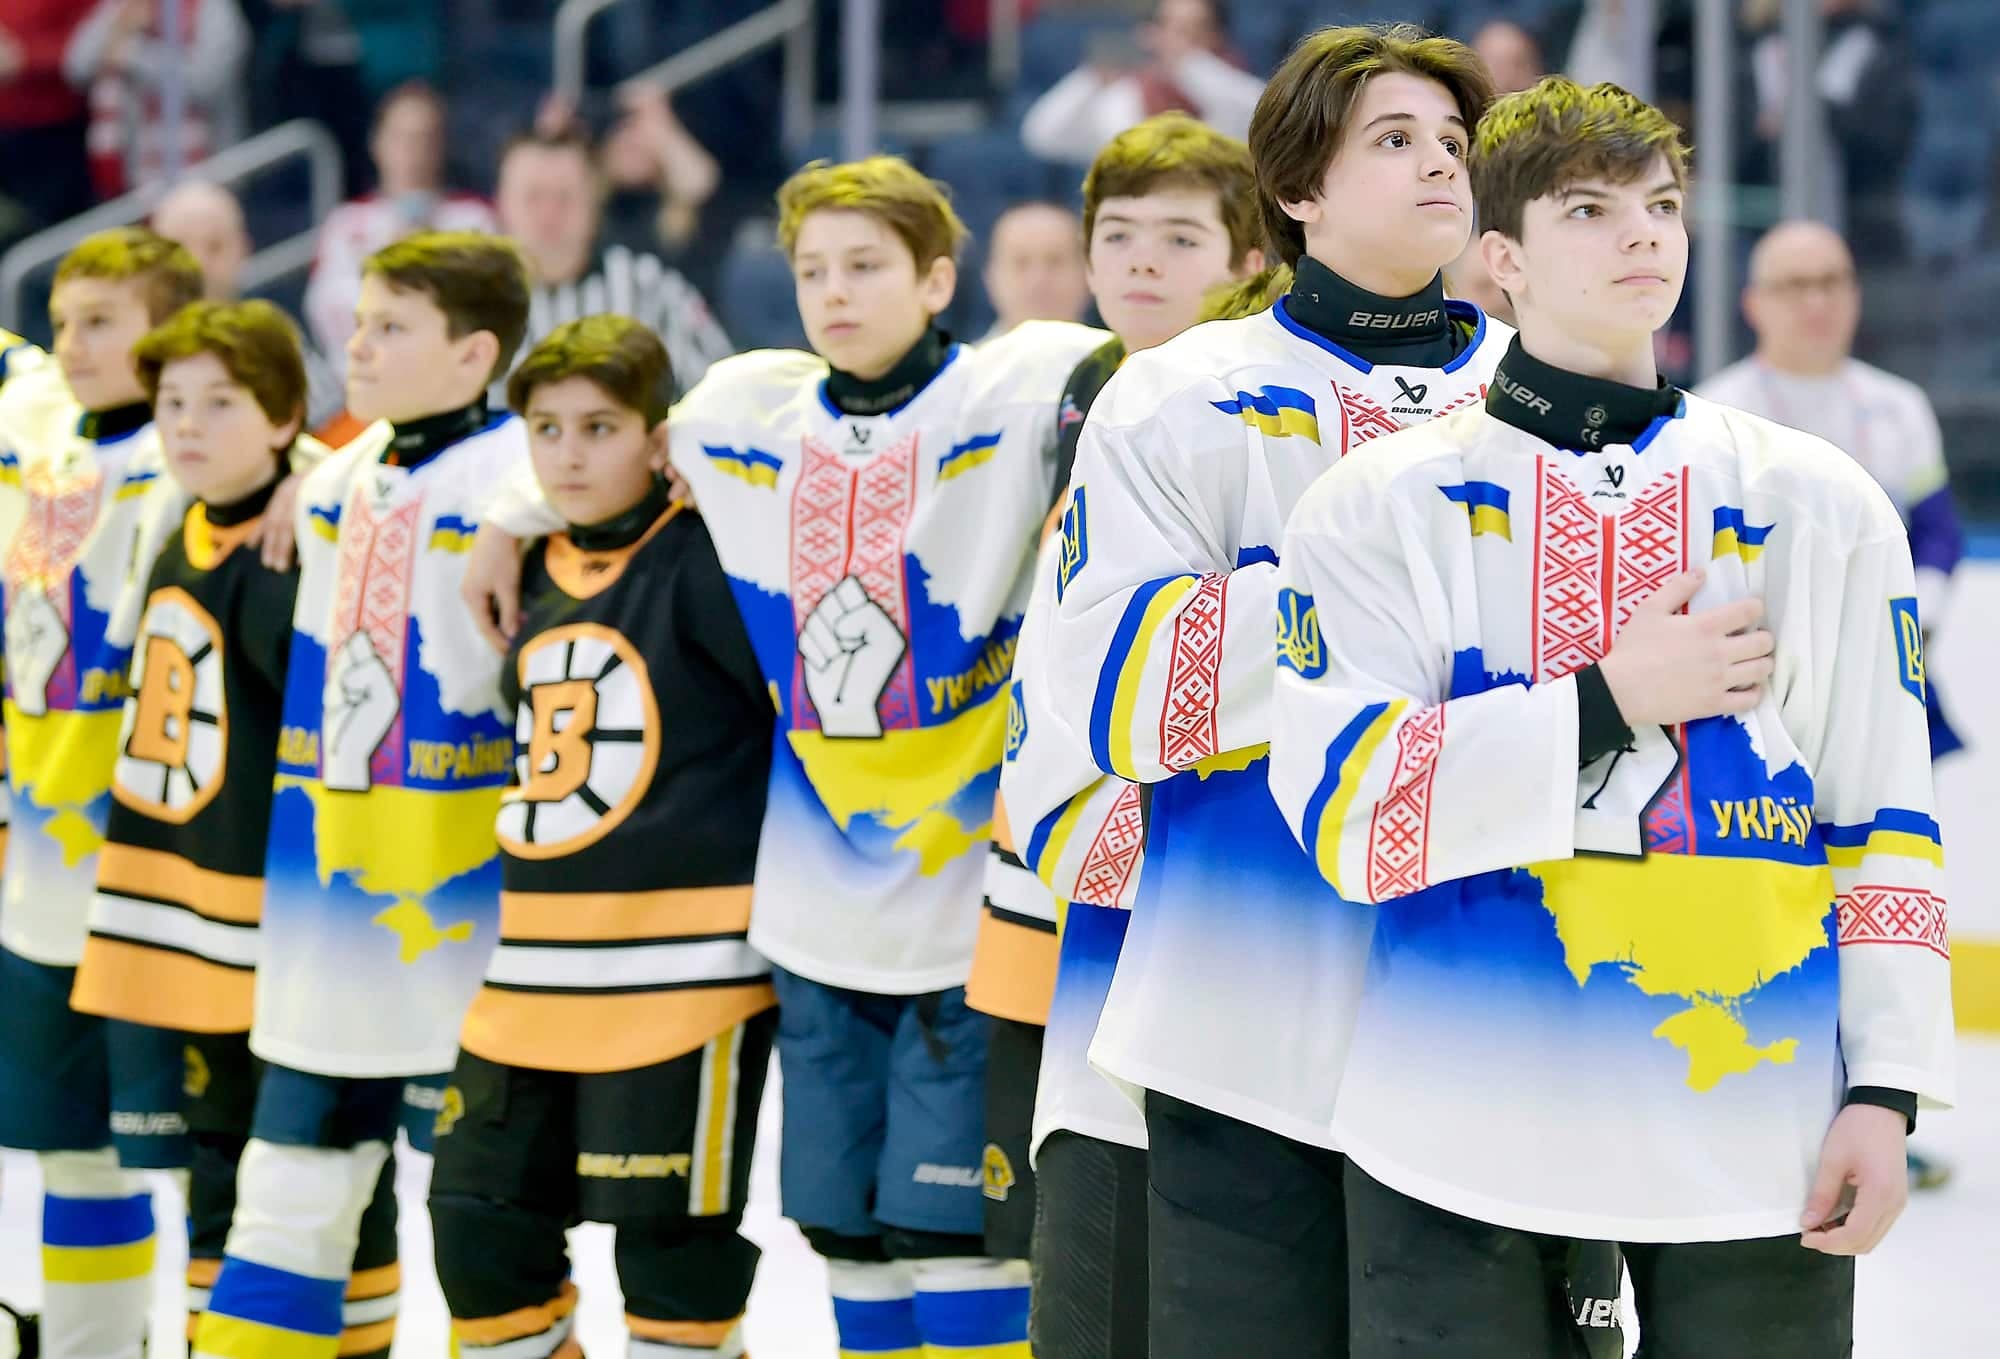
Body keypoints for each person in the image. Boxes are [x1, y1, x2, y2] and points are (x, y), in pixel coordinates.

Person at [1267, 75, 1954, 1358]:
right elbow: (1348, 819)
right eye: (1588, 208)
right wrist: (1605, 699)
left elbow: (1882, 814)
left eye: (1661, 205)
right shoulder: (1372, 507)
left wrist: (1884, 1090)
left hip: (1749, 1125)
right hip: (1453, 1129)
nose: (1643, 233)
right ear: (1500, 259)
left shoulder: (1817, 501)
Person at [1009, 26, 1601, 1359]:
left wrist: (1297, 611)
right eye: (1394, 140)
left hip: (1502, 1009)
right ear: (1297, 191)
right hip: (1241, 1014)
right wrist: (1391, 604)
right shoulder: (1178, 396)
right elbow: (1123, 696)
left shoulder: (1555, 399)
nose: (1441, 164)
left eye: (1454, 142)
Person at [468, 154, 1107, 1359]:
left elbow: (1150, 370)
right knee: (842, 1231)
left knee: (963, 1233)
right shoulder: (741, 411)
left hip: (972, 902)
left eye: (865, 266)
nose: (834, 294)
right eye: (812, 271)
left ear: (935, 277)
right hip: (809, 910)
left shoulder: (1017, 387)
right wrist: (508, 519)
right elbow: (601, 443)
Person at [188, 231, 531, 1359]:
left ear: (475, 353)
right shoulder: (338, 471)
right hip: (323, 908)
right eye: (361, 320)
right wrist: (297, 479)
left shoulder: (521, 477)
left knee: (486, 1224)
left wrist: (524, 516)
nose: (358, 343)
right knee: (287, 1194)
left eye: (392, 327)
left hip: (467, 920)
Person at [970, 110, 1264, 1359]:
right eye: (1116, 235)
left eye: (1180, 237)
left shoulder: (1260, 405)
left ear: (1251, 255)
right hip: (1043, 884)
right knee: (1065, 1248)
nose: (1139, 262)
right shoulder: (1040, 383)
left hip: (1206, 891)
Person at [62, 298, 405, 1359]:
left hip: (283, 923)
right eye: (172, 403)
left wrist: (313, 478)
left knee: (325, 1166)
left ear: (283, 418)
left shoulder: (300, 541)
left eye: (221, 402)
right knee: (215, 1167)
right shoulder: (175, 518)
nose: (188, 425)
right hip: (175, 908)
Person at [430, 314, 776, 1359]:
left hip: (690, 970)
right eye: (546, 429)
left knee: (672, 1262)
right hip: (529, 967)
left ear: (656, 436)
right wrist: (509, 516)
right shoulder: (524, 559)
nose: (569, 454)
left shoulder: (712, 555)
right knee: (476, 1230)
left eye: (599, 427)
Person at [1699, 220, 1965, 1194]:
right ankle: (1748, 1086)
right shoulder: (1716, 414)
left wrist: (1919, 610)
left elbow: (1933, 530)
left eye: (1832, 279)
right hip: (1754, 704)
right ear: (1753, 300)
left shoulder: (1892, 410)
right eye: (1794, 282)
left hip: (1887, 696)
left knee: (1881, 894)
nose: (1816, 299)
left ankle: (1880, 1101)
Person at [0, 226, 202, 1359]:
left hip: (163, 883)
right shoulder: (32, 426)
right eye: (66, 321)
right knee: (71, 1149)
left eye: (103, 324)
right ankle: (92, 1346)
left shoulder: (194, 472)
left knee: (203, 1149)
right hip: (40, 879)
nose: (72, 346)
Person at [495, 128, 732, 404]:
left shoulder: (648, 286)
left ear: (595, 201)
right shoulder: (474, 301)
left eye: (565, 197)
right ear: (501, 203)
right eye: (533, 197)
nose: (549, 214)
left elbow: (720, 390)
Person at [303, 81, 498, 376]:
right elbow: (325, 310)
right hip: (364, 383)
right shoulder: (345, 223)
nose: (412, 151)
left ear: (442, 146)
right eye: (401, 137)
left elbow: (491, 303)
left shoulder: (474, 218)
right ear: (376, 143)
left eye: (425, 138)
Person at [153, 178, 345, 429]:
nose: (199, 263)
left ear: (243, 249)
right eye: (180, 247)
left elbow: (339, 433)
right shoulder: (125, 350)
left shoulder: (278, 342)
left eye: (215, 246)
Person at [1021, 0, 1267, 166]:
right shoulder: (1124, 95)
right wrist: (1089, 77)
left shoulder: (1234, 90)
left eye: (1192, 30)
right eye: (1169, 28)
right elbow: (1041, 137)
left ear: (1217, 35)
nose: (1177, 40)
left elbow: (1257, 111)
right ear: (1151, 34)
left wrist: (1187, 63)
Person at [62, 0, 250, 197]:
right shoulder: (119, 6)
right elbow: (76, 67)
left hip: (205, 176)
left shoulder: (211, 7)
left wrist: (133, 55)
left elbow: (206, 80)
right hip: (131, 177)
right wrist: (120, 26)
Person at [980, 201, 1091, 339]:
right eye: (1021, 263)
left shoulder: (1122, 360)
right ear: (990, 277)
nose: (1038, 279)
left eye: (1055, 261)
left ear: (1088, 273)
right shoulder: (967, 361)